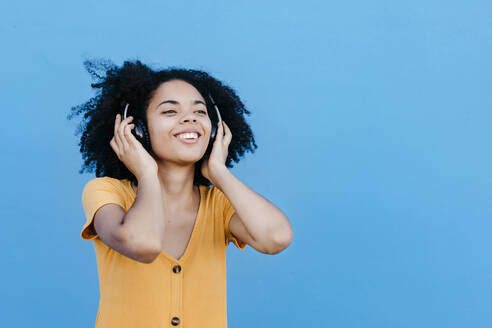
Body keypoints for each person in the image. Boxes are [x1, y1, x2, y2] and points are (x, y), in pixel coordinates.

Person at [69, 58, 293, 328]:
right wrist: (147, 174)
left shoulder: (219, 205)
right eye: (169, 112)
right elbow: (144, 244)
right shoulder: (107, 192)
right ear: (137, 130)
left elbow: (276, 238)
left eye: (200, 112)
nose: (190, 118)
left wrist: (219, 173)